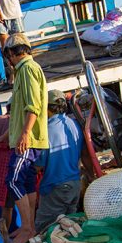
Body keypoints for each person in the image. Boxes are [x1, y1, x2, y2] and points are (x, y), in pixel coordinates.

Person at [0, 33, 48, 243]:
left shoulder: (27, 70)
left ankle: (27, 227)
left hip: (29, 139)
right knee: (25, 181)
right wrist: (6, 136)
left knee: (13, 180)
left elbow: (33, 106)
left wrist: (25, 134)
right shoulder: (25, 71)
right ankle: (30, 227)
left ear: (10, 54)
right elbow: (18, 113)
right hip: (25, 137)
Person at [34, 90, 82, 232]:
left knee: (45, 229)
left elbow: (38, 165)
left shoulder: (46, 131)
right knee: (71, 229)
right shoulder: (74, 124)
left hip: (56, 188)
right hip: (75, 184)